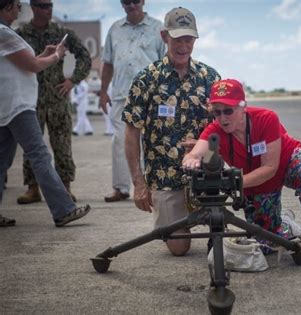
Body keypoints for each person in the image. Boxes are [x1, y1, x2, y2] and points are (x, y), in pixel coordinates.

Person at [182, 79, 301, 265]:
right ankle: (286, 224)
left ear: (243, 107)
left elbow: (270, 167)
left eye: (228, 110)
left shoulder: (266, 117)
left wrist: (235, 183)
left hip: (287, 163)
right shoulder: (215, 130)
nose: (223, 118)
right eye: (217, 112)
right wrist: (191, 160)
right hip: (257, 182)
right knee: (265, 243)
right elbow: (195, 153)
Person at [122, 7, 221, 256]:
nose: (183, 45)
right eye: (178, 38)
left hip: (204, 176)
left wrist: (204, 146)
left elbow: (225, 126)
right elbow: (131, 132)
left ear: (195, 40)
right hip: (166, 179)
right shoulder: (146, 79)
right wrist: (139, 185)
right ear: (164, 36)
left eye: (189, 39)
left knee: (220, 237)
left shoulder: (210, 78)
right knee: (178, 248)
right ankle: (179, 218)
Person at [0, 0, 90, 227]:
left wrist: (72, 80)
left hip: (32, 101)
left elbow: (20, 62)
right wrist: (57, 55)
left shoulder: (59, 32)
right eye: (41, 5)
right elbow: (31, 65)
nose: (47, 9)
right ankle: (61, 208)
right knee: (38, 154)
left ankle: (64, 191)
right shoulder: (10, 32)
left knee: (5, 159)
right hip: (20, 104)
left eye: (49, 5)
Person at [99, 0, 166, 202]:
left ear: (143, 1)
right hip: (121, 95)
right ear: (121, 4)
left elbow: (166, 62)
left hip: (151, 96)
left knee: (152, 142)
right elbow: (108, 63)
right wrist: (103, 92)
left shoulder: (158, 28)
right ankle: (120, 188)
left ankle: (152, 185)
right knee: (119, 141)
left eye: (135, 1)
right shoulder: (114, 29)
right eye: (127, 2)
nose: (132, 5)